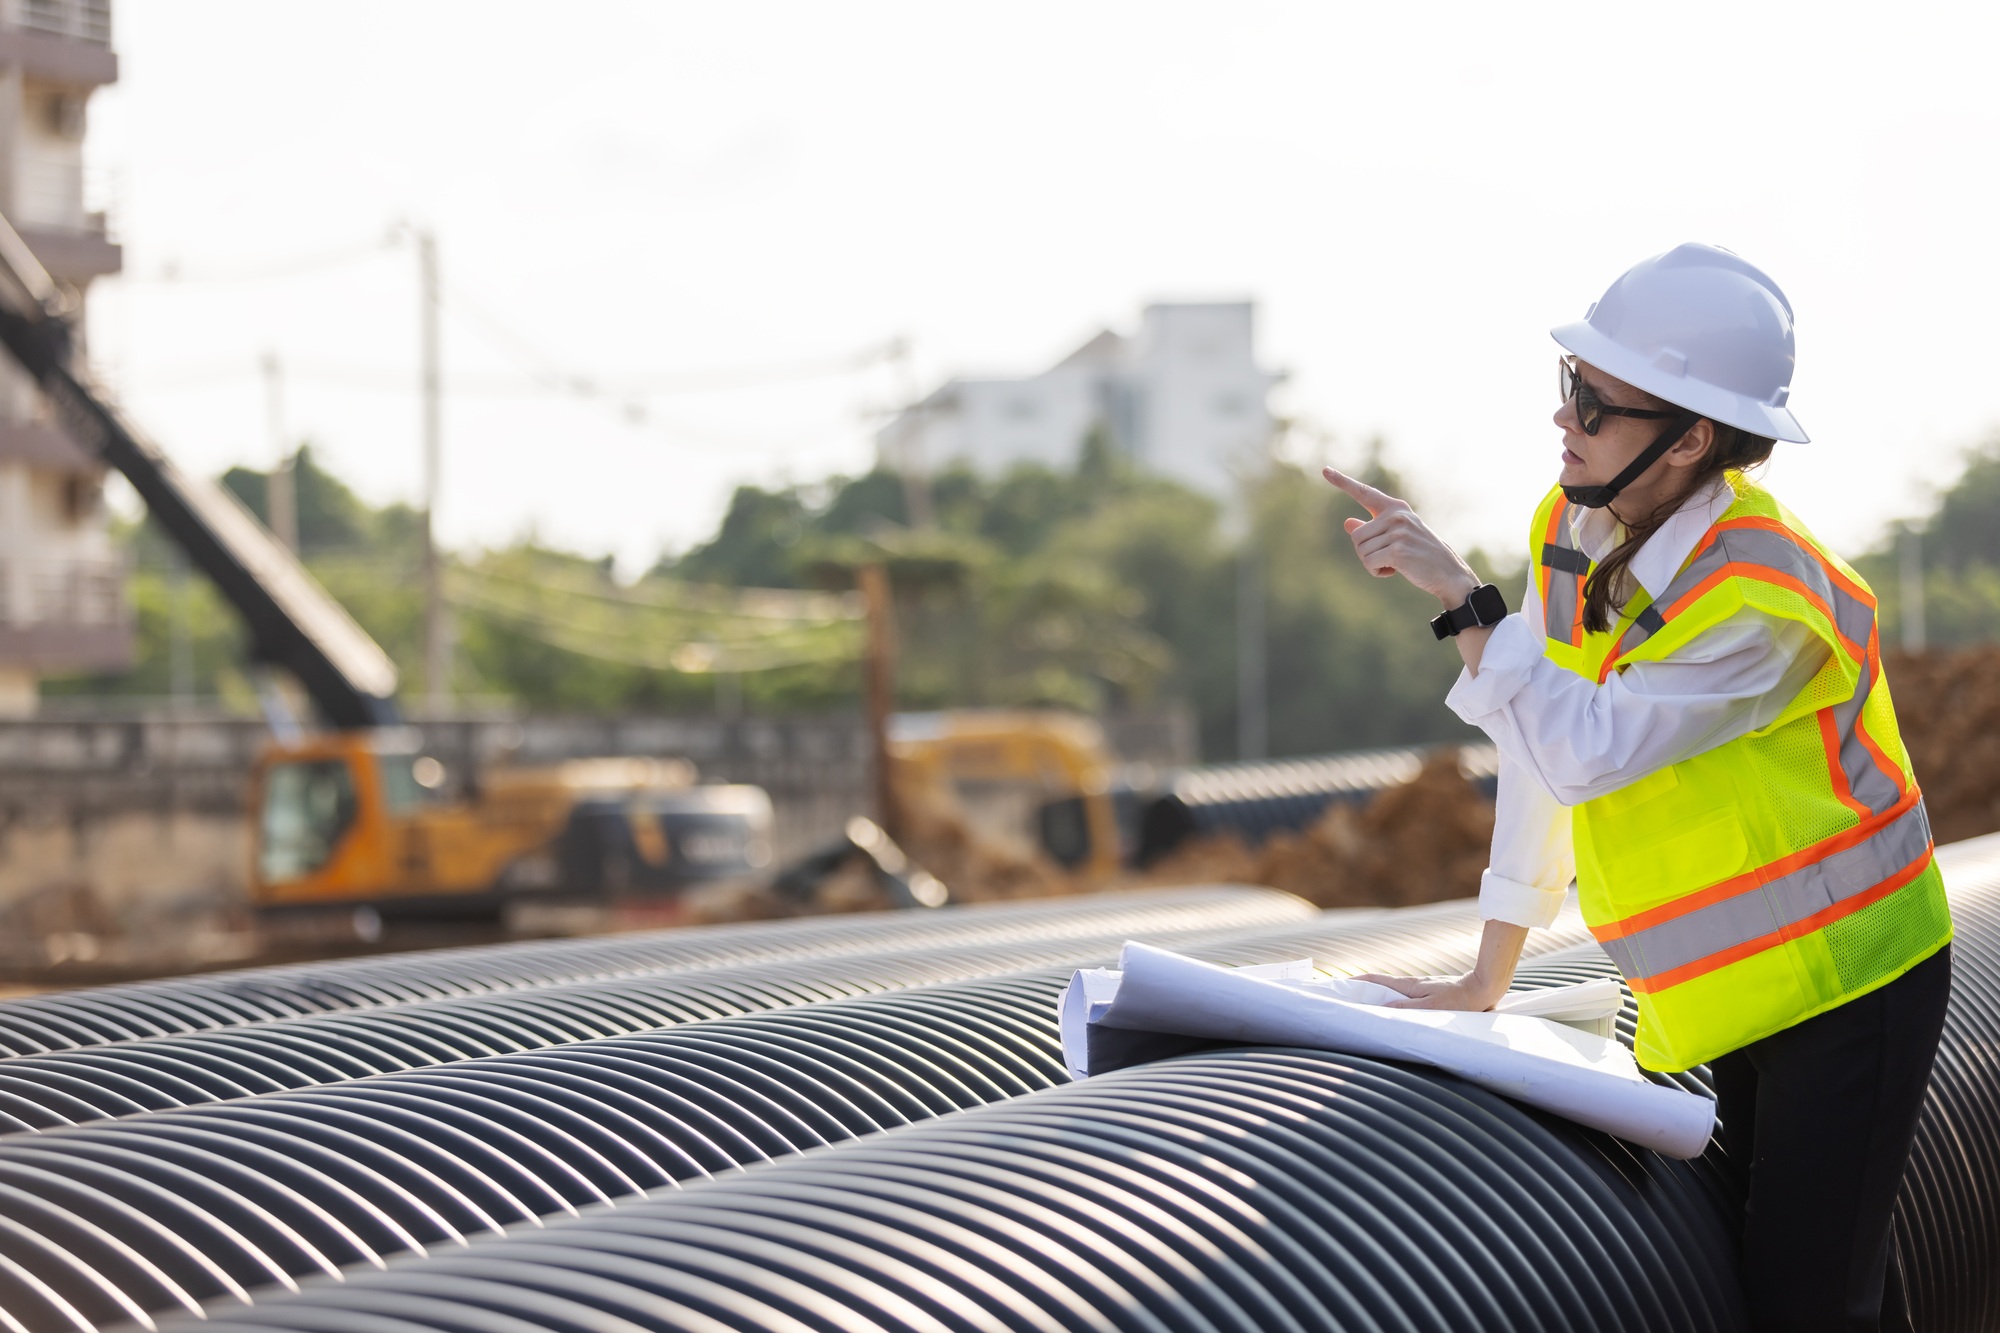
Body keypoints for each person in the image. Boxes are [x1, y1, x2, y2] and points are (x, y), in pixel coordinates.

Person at [1323, 243, 1952, 1333]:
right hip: (1729, 984)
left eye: (1592, 401)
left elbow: (1583, 748)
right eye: (1567, 388)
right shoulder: (1570, 530)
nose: (1561, 419)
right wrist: (1486, 972)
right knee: (1794, 1284)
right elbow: (1533, 746)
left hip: (1848, 977)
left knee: (1808, 1297)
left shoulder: (1763, 600)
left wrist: (1468, 607)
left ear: (1690, 438)